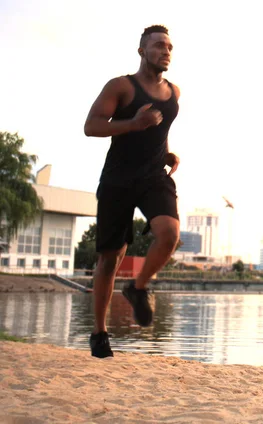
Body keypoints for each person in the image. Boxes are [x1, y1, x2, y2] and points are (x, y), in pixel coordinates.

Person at [83, 25, 181, 358]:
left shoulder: (174, 92)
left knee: (169, 233)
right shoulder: (121, 86)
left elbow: (160, 127)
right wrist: (132, 125)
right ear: (142, 51)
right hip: (118, 181)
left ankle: (138, 288)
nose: (165, 51)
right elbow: (91, 126)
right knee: (110, 260)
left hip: (154, 176)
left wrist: (167, 151)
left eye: (169, 46)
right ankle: (99, 333)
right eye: (158, 45)